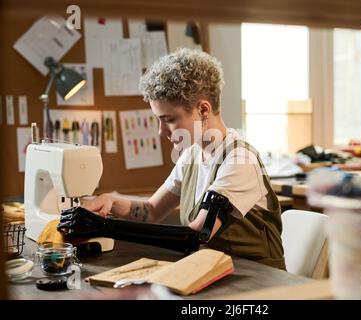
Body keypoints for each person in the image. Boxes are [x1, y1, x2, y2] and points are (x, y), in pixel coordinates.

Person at [82, 48, 286, 270]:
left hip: (259, 284)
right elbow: (151, 211)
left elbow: (196, 236)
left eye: (168, 119)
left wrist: (104, 227)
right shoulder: (192, 155)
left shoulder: (239, 161)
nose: (162, 131)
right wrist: (110, 201)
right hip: (213, 272)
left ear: (203, 109)